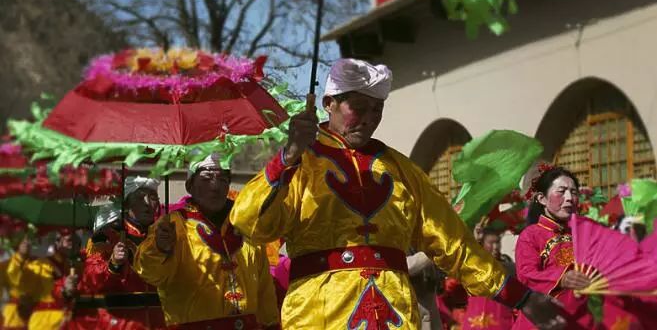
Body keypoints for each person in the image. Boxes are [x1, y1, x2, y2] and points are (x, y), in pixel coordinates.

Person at [231, 58, 565, 329]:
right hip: (319, 314)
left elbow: (455, 245)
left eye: (377, 109)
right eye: (358, 107)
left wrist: (519, 296)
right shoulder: (300, 163)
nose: (369, 119)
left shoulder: (402, 171)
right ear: (328, 104)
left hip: (393, 314)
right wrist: (287, 157)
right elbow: (250, 224)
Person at [134, 154, 279, 329]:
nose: (215, 186)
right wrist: (160, 248)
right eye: (207, 177)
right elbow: (149, 273)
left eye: (223, 179)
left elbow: (265, 292)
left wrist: (271, 325)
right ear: (190, 186)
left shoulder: (246, 225)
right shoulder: (172, 227)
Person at [64, 176, 166, 329]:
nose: (147, 203)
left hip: (158, 322)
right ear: (127, 203)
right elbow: (90, 278)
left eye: (152, 197)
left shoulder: (165, 235)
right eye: (139, 197)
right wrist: (114, 265)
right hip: (121, 322)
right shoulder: (107, 236)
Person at [513, 164, 595, 329]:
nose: (569, 198)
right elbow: (526, 276)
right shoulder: (531, 235)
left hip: (578, 319)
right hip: (542, 321)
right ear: (542, 198)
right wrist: (562, 278)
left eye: (573, 192)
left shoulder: (584, 233)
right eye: (561, 191)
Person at [7, 230, 80, 330]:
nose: (72, 242)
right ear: (57, 242)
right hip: (44, 321)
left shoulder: (81, 265)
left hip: (73, 321)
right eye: (68, 239)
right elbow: (18, 281)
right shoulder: (41, 264)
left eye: (75, 240)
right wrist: (21, 256)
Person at [462, 228, 514, 330]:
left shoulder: (509, 268)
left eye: (497, 242)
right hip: (475, 320)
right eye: (491, 243)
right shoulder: (474, 266)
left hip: (500, 320)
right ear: (482, 244)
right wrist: (475, 241)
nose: (495, 247)